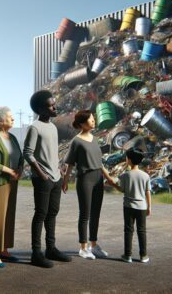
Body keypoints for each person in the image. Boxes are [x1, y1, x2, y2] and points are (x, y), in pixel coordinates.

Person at [23, 90, 72, 268]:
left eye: (54, 103)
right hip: (43, 179)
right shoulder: (34, 127)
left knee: (52, 213)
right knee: (40, 214)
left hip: (56, 176)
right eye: (51, 105)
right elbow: (28, 153)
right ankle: (36, 253)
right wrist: (42, 174)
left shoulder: (52, 127)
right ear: (41, 109)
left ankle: (50, 248)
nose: (55, 107)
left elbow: (51, 151)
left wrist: (59, 167)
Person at [62, 110, 113, 260]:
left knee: (96, 213)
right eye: (91, 119)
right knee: (85, 214)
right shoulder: (76, 141)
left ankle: (94, 245)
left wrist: (109, 178)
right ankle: (83, 248)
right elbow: (70, 164)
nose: (94, 121)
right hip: (85, 179)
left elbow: (100, 162)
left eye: (93, 119)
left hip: (98, 178)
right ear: (82, 123)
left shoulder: (95, 139)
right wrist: (65, 181)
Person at [0, 106, 23, 268]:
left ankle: (5, 250)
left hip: (13, 182)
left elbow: (20, 156)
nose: (13, 119)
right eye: (10, 117)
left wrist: (19, 170)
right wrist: (9, 170)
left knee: (9, 216)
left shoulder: (12, 137)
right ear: (1, 121)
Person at [113, 148, 151, 263]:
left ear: (128, 160)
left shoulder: (126, 175)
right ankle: (143, 255)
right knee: (142, 231)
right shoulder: (145, 176)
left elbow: (122, 189)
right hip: (142, 207)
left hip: (128, 206)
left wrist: (114, 185)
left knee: (128, 230)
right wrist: (149, 207)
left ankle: (127, 255)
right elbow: (147, 192)